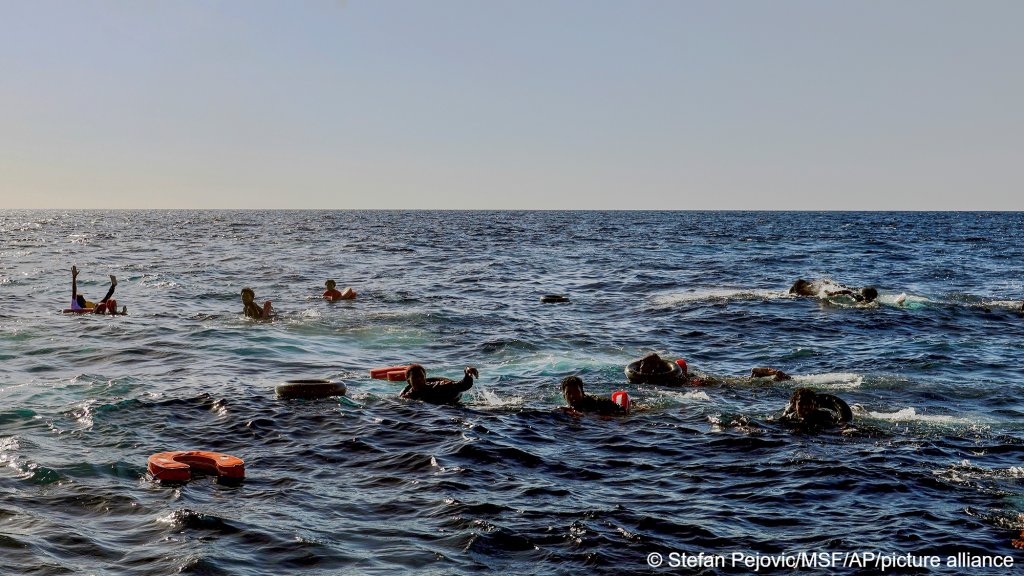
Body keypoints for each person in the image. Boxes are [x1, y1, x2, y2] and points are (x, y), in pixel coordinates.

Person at [400, 364, 477, 405]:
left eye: (421, 377)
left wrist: (467, 373)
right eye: (415, 377)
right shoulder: (407, 396)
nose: (419, 379)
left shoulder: (437, 386)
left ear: (425, 378)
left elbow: (463, 385)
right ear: (409, 381)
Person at [778, 387, 852, 429]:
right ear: (794, 406)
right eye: (801, 404)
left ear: (814, 405)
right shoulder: (789, 418)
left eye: (808, 403)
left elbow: (837, 426)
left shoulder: (825, 416)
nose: (805, 407)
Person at [559, 376, 628, 416]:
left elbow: (622, 411)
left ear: (582, 393)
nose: (572, 396)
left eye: (576, 392)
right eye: (568, 393)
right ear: (564, 397)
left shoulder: (598, 403)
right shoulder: (565, 410)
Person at [789, 278, 878, 303]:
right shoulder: (808, 294)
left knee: (854, 294)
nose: (808, 286)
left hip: (847, 293)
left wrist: (832, 293)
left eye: (807, 285)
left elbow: (844, 291)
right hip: (848, 295)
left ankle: (867, 296)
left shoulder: (817, 288)